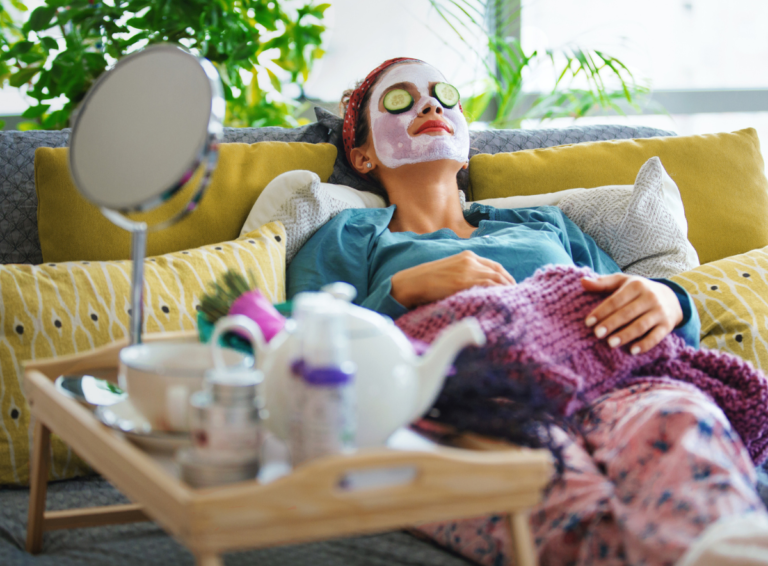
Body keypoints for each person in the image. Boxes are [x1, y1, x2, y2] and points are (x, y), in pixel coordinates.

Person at [287, 58, 767, 566]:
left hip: (608, 384)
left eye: (444, 95)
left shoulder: (545, 225)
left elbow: (626, 310)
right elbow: (303, 343)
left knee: (679, 427)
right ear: (362, 156)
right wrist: (402, 290)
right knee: (559, 495)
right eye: (400, 100)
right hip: (475, 401)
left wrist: (671, 301)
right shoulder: (353, 235)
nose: (431, 104)